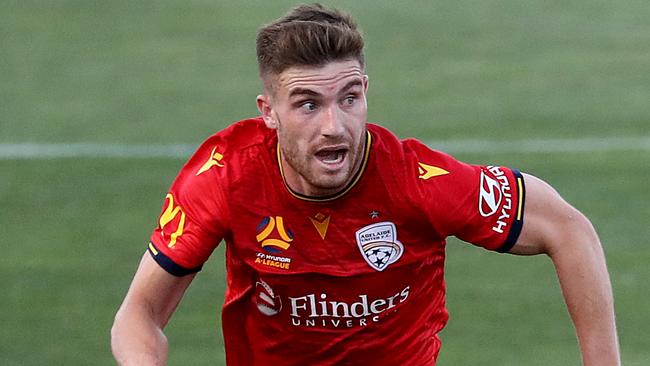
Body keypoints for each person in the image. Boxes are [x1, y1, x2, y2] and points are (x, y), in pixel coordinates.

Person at [111, 4, 620, 365]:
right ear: (269, 113)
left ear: (366, 92)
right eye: (308, 104)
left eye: (348, 98)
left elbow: (568, 229)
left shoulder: (420, 182)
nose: (334, 126)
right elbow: (139, 314)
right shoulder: (225, 176)